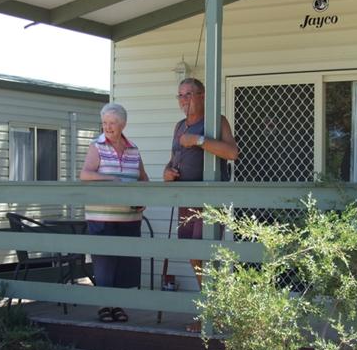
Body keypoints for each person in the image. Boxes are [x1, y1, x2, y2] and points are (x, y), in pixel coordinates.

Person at [163, 77, 238, 332]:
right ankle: (211, 310)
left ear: (203, 96)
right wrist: (167, 173)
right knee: (193, 254)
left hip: (210, 200)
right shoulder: (179, 126)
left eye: (189, 94)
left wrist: (198, 141)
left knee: (206, 253)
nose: (185, 100)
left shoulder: (216, 121)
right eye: (181, 96)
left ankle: (215, 313)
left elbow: (232, 153)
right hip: (185, 200)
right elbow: (173, 159)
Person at [80, 102, 149, 323]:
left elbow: (143, 179)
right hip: (102, 216)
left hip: (129, 216)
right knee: (104, 260)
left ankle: (118, 305)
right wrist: (111, 179)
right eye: (105, 123)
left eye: (112, 123)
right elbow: (86, 174)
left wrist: (142, 200)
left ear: (123, 124)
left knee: (124, 260)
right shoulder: (97, 146)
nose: (107, 127)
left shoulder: (133, 149)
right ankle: (104, 305)